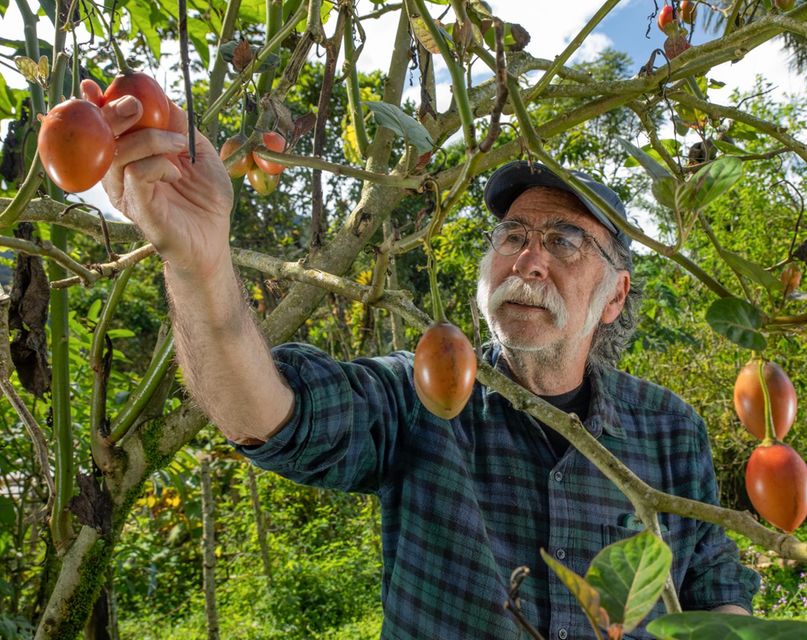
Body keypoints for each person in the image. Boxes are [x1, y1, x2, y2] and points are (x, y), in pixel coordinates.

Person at [86, 85, 759, 639]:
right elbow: (269, 413)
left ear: (614, 297)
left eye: (564, 240)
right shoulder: (421, 395)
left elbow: (714, 587)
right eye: (513, 235)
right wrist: (198, 263)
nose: (528, 259)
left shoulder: (669, 430)